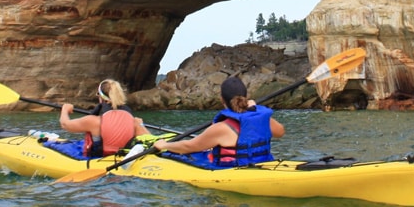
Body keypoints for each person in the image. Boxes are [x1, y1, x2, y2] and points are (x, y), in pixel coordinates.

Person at [152, 76, 284, 167]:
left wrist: (164, 145)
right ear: (246, 97)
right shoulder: (263, 118)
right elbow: (280, 132)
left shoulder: (221, 128)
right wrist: (255, 111)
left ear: (222, 100)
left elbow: (189, 147)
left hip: (233, 171)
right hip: (261, 164)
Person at [59, 79, 150, 157]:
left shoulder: (94, 121)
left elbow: (65, 124)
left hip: (99, 159)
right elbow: (150, 140)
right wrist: (141, 125)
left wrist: (65, 109)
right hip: (123, 157)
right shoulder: (133, 121)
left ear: (101, 97)